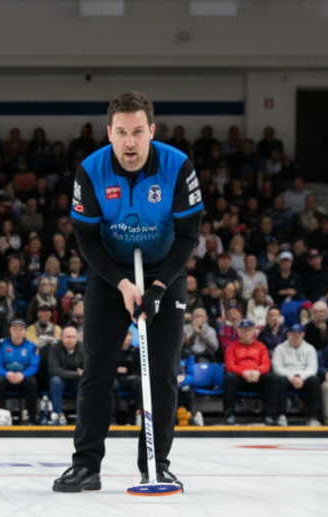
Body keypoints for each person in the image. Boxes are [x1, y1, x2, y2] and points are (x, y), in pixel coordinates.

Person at [54, 92, 203, 492]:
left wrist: (156, 286)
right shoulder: (90, 170)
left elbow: (189, 237)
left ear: (151, 131)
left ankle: (155, 465)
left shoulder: (177, 167)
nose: (130, 142)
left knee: (162, 374)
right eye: (121, 133)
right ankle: (86, 466)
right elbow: (86, 240)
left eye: (138, 131)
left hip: (164, 272)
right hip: (110, 274)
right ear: (110, 133)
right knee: (97, 370)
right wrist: (121, 283)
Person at [223, 318, 279, 425]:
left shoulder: (261, 346)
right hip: (240, 379)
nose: (246, 333)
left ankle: (269, 415)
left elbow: (266, 364)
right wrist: (244, 372)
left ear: (253, 331)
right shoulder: (232, 347)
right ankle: (229, 414)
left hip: (257, 378)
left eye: (248, 330)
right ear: (238, 331)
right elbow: (230, 365)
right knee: (229, 377)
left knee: (272, 378)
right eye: (243, 330)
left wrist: (257, 372)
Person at [272, 322, 321, 426]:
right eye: (293, 334)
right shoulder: (280, 348)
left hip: (304, 376)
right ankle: (280, 415)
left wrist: (301, 377)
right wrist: (291, 377)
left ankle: (313, 417)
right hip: (287, 376)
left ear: (303, 334)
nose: (295, 336)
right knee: (278, 379)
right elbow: (277, 367)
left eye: (298, 334)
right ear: (288, 334)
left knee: (315, 380)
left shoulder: (310, 348)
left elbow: (312, 368)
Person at [0, 319, 40, 424]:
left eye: (21, 329)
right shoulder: (2, 344)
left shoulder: (31, 346)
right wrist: (6, 374)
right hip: (7, 377)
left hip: (23, 378)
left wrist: (23, 374)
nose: (18, 332)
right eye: (15, 329)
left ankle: (31, 417)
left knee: (32, 382)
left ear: (25, 331)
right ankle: (1, 415)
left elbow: (34, 365)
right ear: (10, 330)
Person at [46, 325, 84, 423]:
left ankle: (84, 416)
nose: (71, 340)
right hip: (62, 382)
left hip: (77, 383)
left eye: (73, 337)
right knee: (55, 381)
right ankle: (58, 414)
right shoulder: (54, 348)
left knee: (86, 382)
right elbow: (54, 370)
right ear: (61, 337)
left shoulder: (83, 348)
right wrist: (77, 373)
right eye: (68, 337)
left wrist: (80, 374)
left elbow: (88, 370)